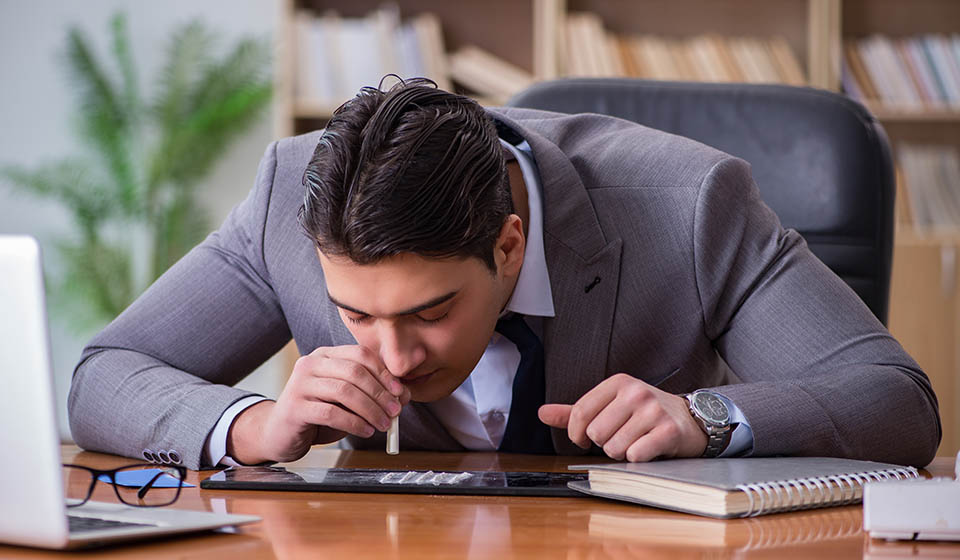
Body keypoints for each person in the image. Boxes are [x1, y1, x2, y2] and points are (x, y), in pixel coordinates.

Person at [68, 78, 941, 471]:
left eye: (431, 310)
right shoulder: (286, 204)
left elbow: (897, 400)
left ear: (511, 244)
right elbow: (103, 375)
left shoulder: (694, 206)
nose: (395, 356)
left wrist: (704, 417)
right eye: (354, 316)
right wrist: (251, 423)